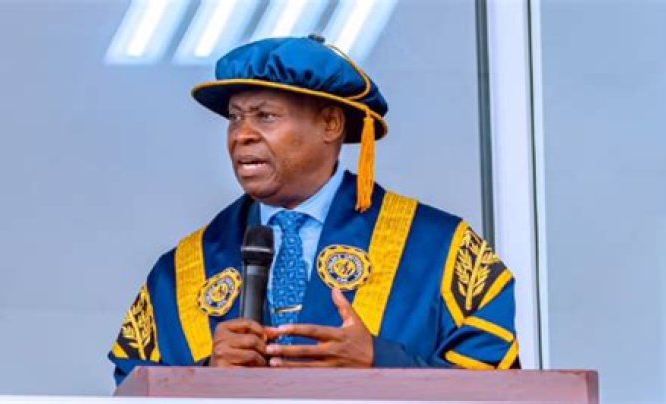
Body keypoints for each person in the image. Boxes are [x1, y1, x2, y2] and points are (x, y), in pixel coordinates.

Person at [108, 35, 519, 385]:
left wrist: (380, 361)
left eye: (266, 116)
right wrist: (208, 376)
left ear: (330, 124)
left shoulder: (441, 251)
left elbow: (499, 385)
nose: (242, 135)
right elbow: (131, 387)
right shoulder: (183, 270)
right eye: (235, 118)